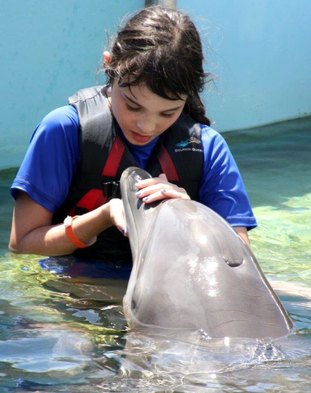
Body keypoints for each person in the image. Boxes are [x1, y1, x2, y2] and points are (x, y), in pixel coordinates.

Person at [9, 6, 257, 271]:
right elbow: (22, 244)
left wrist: (189, 215)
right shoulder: (63, 130)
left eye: (168, 112)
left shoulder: (208, 148)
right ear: (109, 65)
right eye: (133, 105)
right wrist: (100, 218)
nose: (147, 126)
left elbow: (239, 261)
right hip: (73, 291)